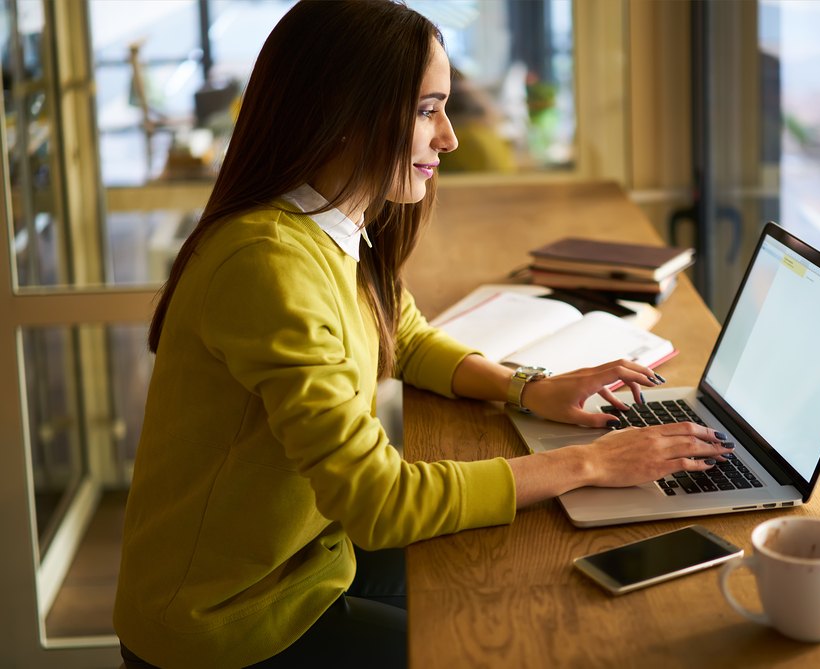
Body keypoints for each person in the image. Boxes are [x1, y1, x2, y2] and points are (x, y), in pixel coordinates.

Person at [113, 2, 734, 667]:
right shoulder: (267, 265)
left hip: (307, 554)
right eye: (425, 110)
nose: (450, 138)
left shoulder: (331, 221)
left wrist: (529, 389)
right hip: (224, 621)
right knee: (500, 632)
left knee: (510, 579)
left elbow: (401, 333)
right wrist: (587, 462)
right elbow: (380, 502)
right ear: (344, 116)